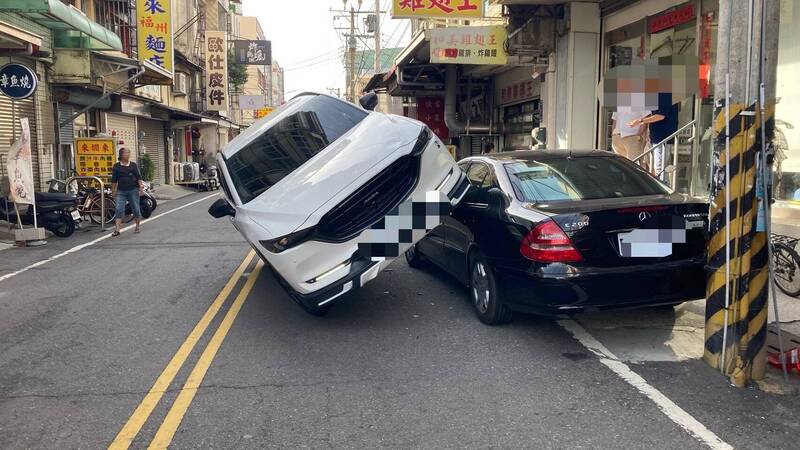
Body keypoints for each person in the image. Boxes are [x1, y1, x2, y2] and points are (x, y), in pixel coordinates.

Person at [111, 147, 143, 236]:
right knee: (118, 209)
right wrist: (113, 191)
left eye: (128, 153)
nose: (127, 155)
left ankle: (137, 226)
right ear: (121, 155)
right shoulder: (116, 166)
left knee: (136, 209)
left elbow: (138, 177)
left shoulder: (133, 165)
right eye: (125, 153)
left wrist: (140, 186)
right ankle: (117, 229)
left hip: (133, 189)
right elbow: (114, 180)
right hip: (121, 191)